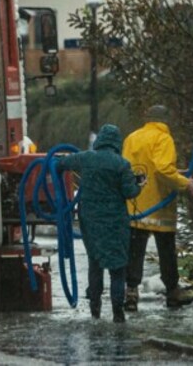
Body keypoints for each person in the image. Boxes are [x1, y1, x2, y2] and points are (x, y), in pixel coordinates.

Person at [57, 123, 142, 322]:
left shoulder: (86, 158)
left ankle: (95, 311)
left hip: (90, 221)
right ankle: (117, 313)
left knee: (95, 264)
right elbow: (130, 192)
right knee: (117, 268)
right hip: (115, 222)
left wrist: (59, 163)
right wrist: (140, 185)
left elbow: (61, 164)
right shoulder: (122, 164)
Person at [121, 105, 193, 311]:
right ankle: (173, 292)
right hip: (159, 206)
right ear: (165, 120)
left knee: (135, 251)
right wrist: (185, 183)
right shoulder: (163, 138)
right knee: (166, 251)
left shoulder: (132, 138)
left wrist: (177, 173)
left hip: (136, 205)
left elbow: (134, 167)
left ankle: (131, 292)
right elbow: (163, 169)